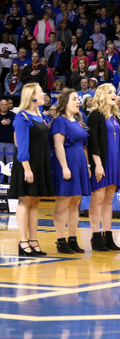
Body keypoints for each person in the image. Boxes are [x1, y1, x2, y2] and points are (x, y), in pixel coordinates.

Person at [9, 83, 54, 256]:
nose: (44, 94)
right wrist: (27, 169)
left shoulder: (41, 115)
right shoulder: (22, 117)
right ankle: (23, 241)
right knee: (25, 201)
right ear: (32, 96)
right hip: (27, 163)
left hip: (41, 162)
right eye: (41, 91)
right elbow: (21, 145)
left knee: (35, 202)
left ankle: (34, 240)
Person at [50, 88, 91, 254]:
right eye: (74, 99)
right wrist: (65, 167)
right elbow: (58, 145)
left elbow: (84, 145)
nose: (78, 102)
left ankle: (73, 239)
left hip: (79, 163)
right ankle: (61, 241)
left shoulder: (78, 120)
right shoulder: (60, 121)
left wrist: (87, 166)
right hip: (65, 163)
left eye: (78, 99)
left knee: (75, 203)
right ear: (65, 102)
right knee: (63, 203)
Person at [87, 83, 120, 252]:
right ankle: (95, 237)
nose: (114, 95)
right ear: (102, 95)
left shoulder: (117, 118)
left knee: (109, 200)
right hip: (102, 161)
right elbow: (93, 141)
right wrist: (97, 164)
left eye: (115, 92)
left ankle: (107, 236)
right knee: (98, 198)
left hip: (115, 162)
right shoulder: (95, 115)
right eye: (110, 92)